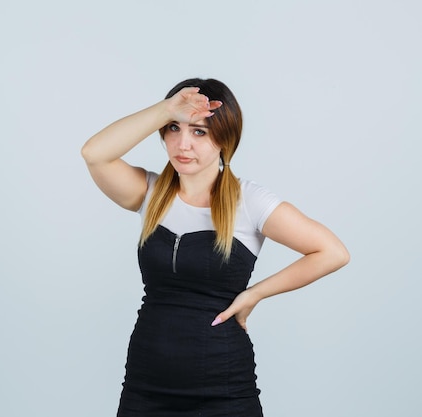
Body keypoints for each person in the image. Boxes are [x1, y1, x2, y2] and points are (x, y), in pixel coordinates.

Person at [80, 78, 350, 417]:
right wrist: (166, 108)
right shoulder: (148, 193)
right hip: (144, 386)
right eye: (173, 128)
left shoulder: (249, 201)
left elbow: (332, 252)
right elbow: (94, 153)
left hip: (223, 392)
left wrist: (255, 294)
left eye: (199, 132)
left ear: (224, 139)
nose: (182, 144)